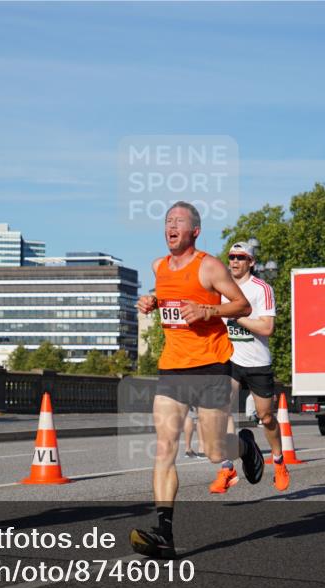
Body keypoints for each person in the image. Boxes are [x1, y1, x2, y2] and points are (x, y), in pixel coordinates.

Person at [130, 201, 260, 559]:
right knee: (165, 446)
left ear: (195, 231)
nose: (171, 226)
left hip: (210, 367)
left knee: (214, 451)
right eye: (168, 220)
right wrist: (151, 301)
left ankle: (245, 446)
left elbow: (243, 306)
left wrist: (208, 310)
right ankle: (164, 533)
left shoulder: (210, 267)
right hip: (172, 367)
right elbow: (167, 296)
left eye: (179, 221)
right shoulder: (158, 265)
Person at [221, 241, 289, 491]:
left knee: (266, 417)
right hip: (230, 359)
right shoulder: (222, 287)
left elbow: (267, 328)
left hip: (258, 362)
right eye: (231, 257)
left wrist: (236, 314)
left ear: (251, 262)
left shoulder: (262, 289)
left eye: (241, 257)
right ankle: (227, 468)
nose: (235, 261)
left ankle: (279, 460)